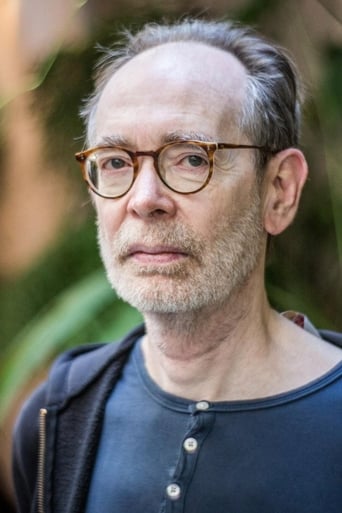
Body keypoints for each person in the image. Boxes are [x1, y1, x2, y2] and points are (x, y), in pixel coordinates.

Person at [12, 18, 342, 513]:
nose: (145, 200)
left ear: (279, 191)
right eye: (117, 161)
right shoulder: (56, 415)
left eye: (191, 158)